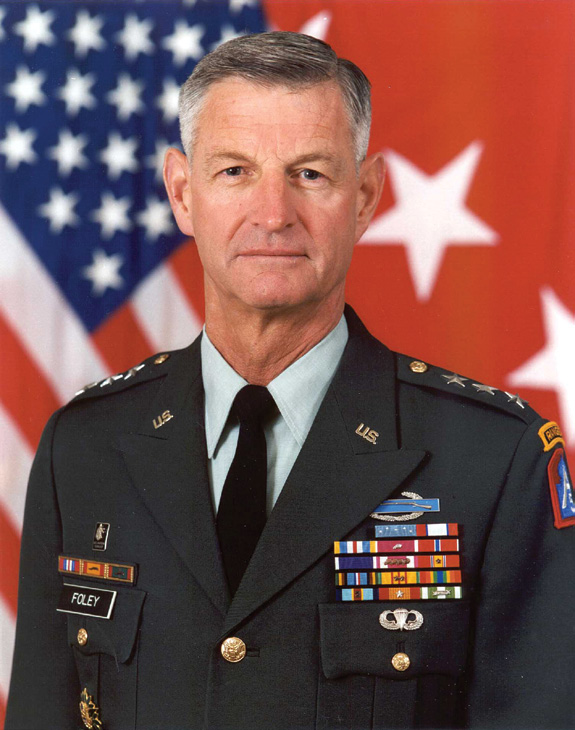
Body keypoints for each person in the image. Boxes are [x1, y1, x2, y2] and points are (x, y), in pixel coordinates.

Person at [6, 31, 575, 730]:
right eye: (235, 171)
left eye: (308, 173)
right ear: (182, 193)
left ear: (364, 197)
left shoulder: (493, 460)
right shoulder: (84, 448)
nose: (273, 214)